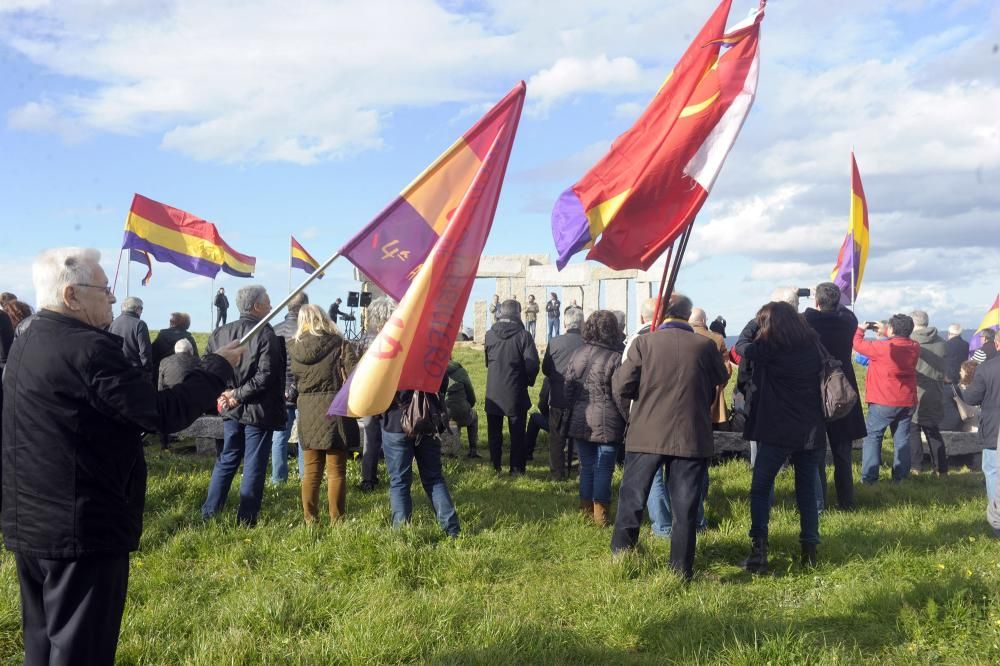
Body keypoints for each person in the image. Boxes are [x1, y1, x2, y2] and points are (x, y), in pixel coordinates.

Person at [2, 247, 239, 665]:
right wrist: (215, 368)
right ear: (72, 295)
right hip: (82, 525)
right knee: (81, 649)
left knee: (41, 644)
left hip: (32, 520)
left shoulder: (28, 339)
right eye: (105, 290)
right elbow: (161, 413)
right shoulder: (90, 350)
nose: (112, 299)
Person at [611, 294, 727, 580]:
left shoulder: (643, 343)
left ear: (661, 315)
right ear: (688, 315)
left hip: (646, 432)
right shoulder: (705, 346)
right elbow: (720, 378)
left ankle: (621, 560)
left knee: (632, 500)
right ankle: (680, 570)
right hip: (691, 434)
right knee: (685, 506)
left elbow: (622, 385)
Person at [735, 301, 827, 571]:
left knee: (761, 488)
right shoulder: (813, 346)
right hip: (809, 428)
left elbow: (741, 346)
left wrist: (755, 321)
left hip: (776, 428)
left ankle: (759, 552)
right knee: (807, 490)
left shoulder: (768, 349)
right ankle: (809, 552)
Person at [202, 285, 287, 525]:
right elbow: (266, 375)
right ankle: (246, 519)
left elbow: (208, 367)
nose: (271, 306)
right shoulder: (266, 334)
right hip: (256, 408)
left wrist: (225, 394)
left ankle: (210, 512)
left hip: (232, 405)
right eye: (268, 301)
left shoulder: (220, 333)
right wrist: (234, 395)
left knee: (227, 458)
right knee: (253, 464)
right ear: (257, 306)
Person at [289, 304, 359, 524]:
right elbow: (354, 375)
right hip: (335, 408)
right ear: (323, 318)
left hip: (307, 410)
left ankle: (310, 520)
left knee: (311, 472)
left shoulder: (293, 347)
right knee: (336, 471)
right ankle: (337, 520)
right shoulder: (339, 343)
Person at [802, 282, 867, 511]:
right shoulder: (849, 322)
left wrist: (811, 302)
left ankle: (819, 501)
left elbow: (804, 314)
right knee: (843, 453)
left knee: (817, 451)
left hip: (816, 388)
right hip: (842, 387)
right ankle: (846, 501)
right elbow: (848, 313)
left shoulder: (806, 321)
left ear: (817, 302)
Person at [563, 311, 628, 527]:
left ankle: (586, 512)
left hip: (582, 417)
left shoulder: (577, 353)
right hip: (609, 421)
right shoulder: (616, 357)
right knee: (604, 470)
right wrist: (628, 418)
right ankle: (601, 517)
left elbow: (568, 387)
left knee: (587, 467)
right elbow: (619, 395)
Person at [380, 383, 460, 536]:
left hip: (395, 422)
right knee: (434, 478)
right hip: (428, 420)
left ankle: (402, 533)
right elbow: (442, 383)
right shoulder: (430, 358)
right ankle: (452, 530)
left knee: (399, 482)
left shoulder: (390, 359)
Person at [854, 314, 920, 484]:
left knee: (873, 437)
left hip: (883, 400)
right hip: (906, 400)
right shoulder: (914, 346)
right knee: (902, 439)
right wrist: (886, 332)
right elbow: (897, 342)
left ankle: (869, 478)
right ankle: (900, 478)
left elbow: (857, 344)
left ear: (891, 329)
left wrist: (861, 329)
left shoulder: (882, 348)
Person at [485, 299, 539, 475]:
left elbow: (487, 361)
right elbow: (532, 364)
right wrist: (527, 380)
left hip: (493, 390)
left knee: (494, 433)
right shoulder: (524, 336)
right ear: (517, 313)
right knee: (517, 434)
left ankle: (495, 466)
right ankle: (516, 468)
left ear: (501, 313)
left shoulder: (489, 335)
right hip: (515, 390)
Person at [959, 334, 1000, 537]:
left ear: (997, 344)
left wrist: (964, 389)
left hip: (994, 426)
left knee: (992, 470)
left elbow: (972, 397)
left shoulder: (987, 368)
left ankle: (996, 519)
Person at [541, 307, 584, 480]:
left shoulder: (555, 342)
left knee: (556, 439)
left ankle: (557, 475)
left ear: (565, 323)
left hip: (558, 397)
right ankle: (583, 473)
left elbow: (546, 369)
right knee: (581, 438)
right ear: (582, 323)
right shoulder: (588, 343)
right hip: (581, 399)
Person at [272, 292, 309, 483]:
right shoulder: (307, 330)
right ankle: (305, 477)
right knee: (304, 437)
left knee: (279, 436)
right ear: (305, 306)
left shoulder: (275, 329)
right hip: (303, 387)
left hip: (280, 389)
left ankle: (278, 478)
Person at [358, 298, 394, 492]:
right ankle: (395, 475)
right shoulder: (394, 337)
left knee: (371, 438)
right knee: (391, 435)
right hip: (389, 392)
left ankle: (368, 479)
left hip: (368, 392)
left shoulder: (365, 338)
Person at [909, 310, 949, 476]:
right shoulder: (941, 342)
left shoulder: (911, 342)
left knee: (913, 429)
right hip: (936, 390)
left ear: (913, 324)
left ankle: (916, 467)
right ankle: (941, 469)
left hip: (916, 389)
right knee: (933, 430)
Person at [109, 296, 152, 381]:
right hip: (136, 372)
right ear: (137, 308)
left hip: (117, 371)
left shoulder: (113, 324)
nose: (142, 312)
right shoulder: (140, 324)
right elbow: (145, 352)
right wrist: (147, 371)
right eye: (142, 309)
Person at [446, 357, 480, 458]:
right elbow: (471, 395)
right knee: (473, 417)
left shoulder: (433, 371)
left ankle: (452, 450)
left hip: (443, 413)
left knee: (452, 419)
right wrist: (469, 405)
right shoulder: (460, 371)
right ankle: (473, 449)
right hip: (462, 412)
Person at [525, 378, 550, 461]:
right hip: (579, 421)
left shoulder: (550, 378)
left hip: (557, 421)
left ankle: (527, 453)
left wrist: (546, 414)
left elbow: (543, 404)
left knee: (534, 418)